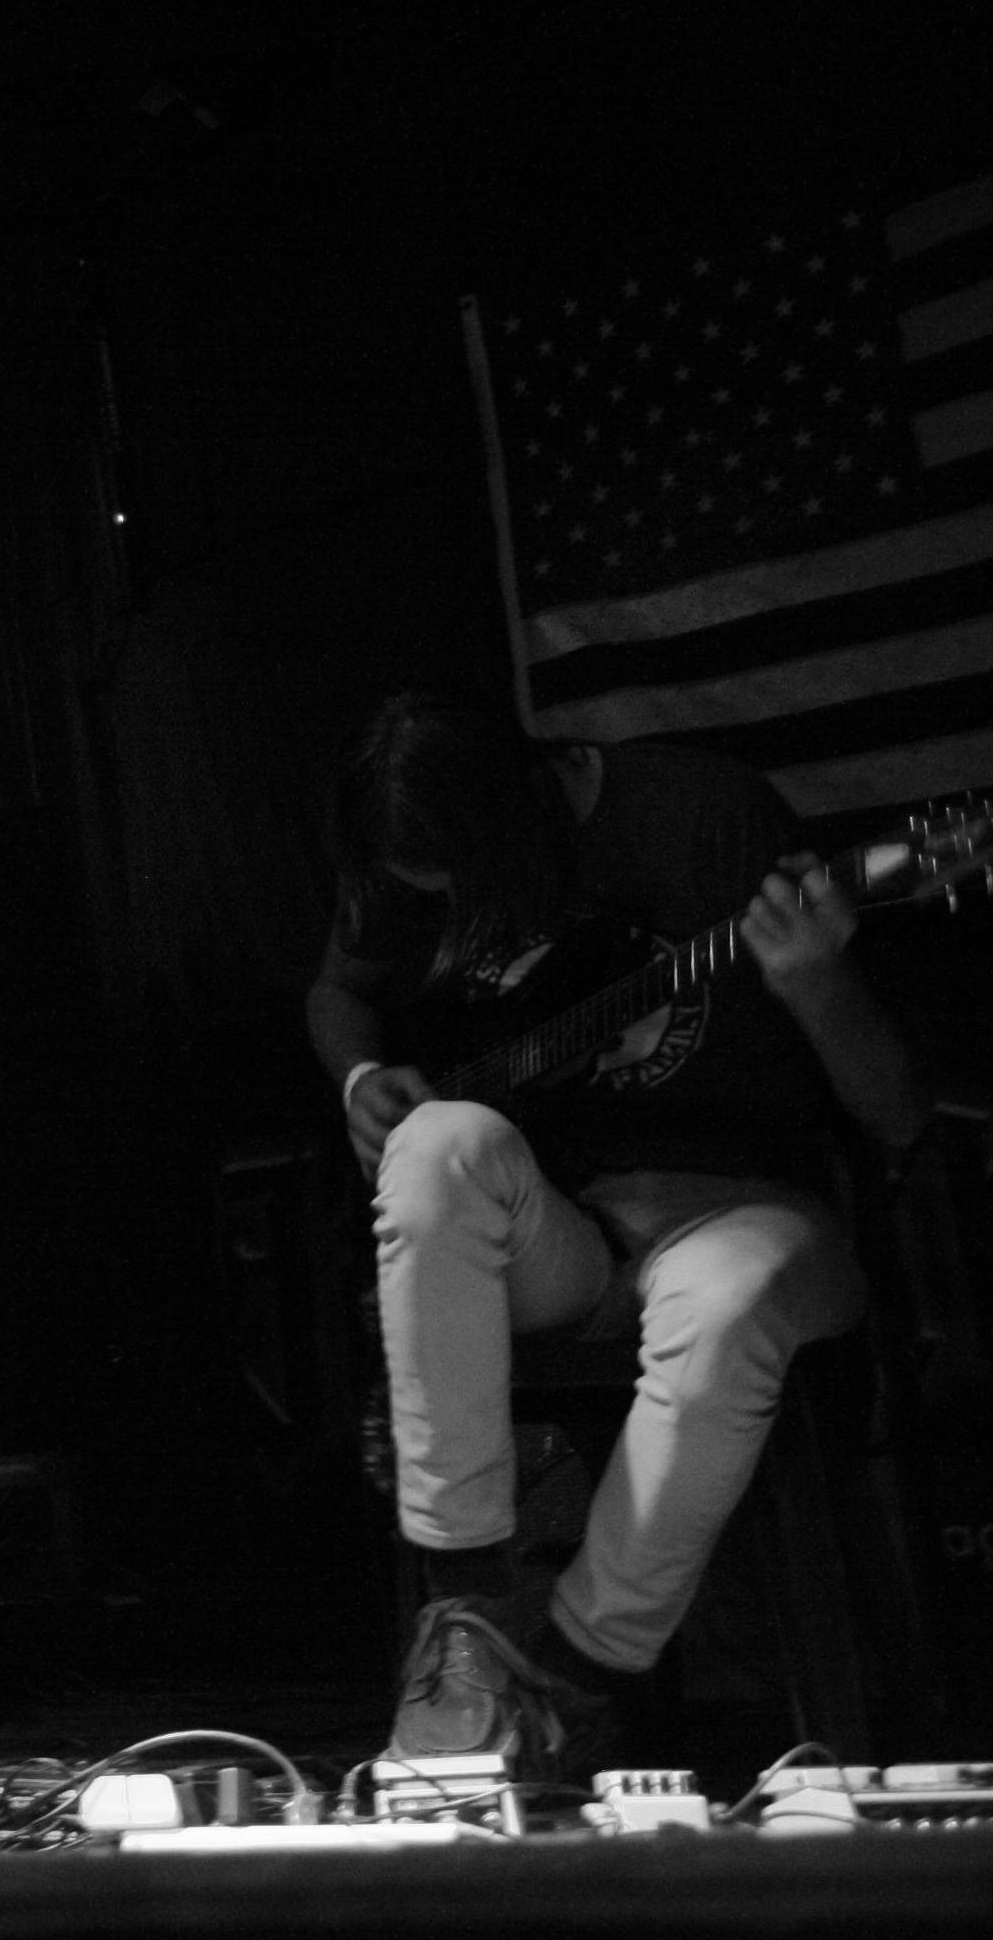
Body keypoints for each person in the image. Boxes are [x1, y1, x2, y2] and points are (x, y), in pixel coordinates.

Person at [309, 692, 924, 1781]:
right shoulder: (412, 852)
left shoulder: (704, 813)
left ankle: (575, 1680)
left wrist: (816, 984)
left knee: (723, 1301)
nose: (446, 912)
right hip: (572, 1236)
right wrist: (360, 1076)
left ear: (517, 811)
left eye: (460, 887)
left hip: (746, 1209)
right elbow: (338, 993)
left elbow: (898, 1115)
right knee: (432, 1144)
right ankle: (467, 1618)